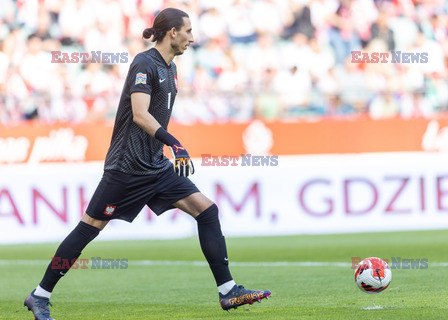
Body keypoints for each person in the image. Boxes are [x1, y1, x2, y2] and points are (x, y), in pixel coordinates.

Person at [24, 8, 271, 320]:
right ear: (172, 33)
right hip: (126, 168)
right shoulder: (144, 63)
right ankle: (40, 295)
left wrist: (165, 149)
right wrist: (175, 143)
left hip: (155, 166)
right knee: (89, 228)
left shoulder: (172, 68)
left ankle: (228, 291)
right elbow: (140, 114)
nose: (192, 38)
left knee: (206, 210)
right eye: (188, 31)